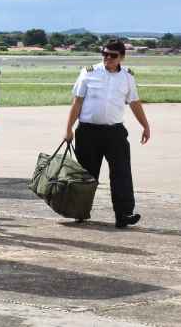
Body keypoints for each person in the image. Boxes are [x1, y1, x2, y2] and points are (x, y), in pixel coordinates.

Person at [64, 39, 151, 228]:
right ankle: (79, 211)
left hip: (115, 133)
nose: (108, 58)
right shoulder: (89, 73)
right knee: (86, 175)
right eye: (105, 54)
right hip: (88, 132)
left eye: (113, 55)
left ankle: (124, 214)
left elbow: (134, 103)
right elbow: (77, 102)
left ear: (122, 58)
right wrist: (68, 129)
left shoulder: (127, 77)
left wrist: (145, 125)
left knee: (121, 173)